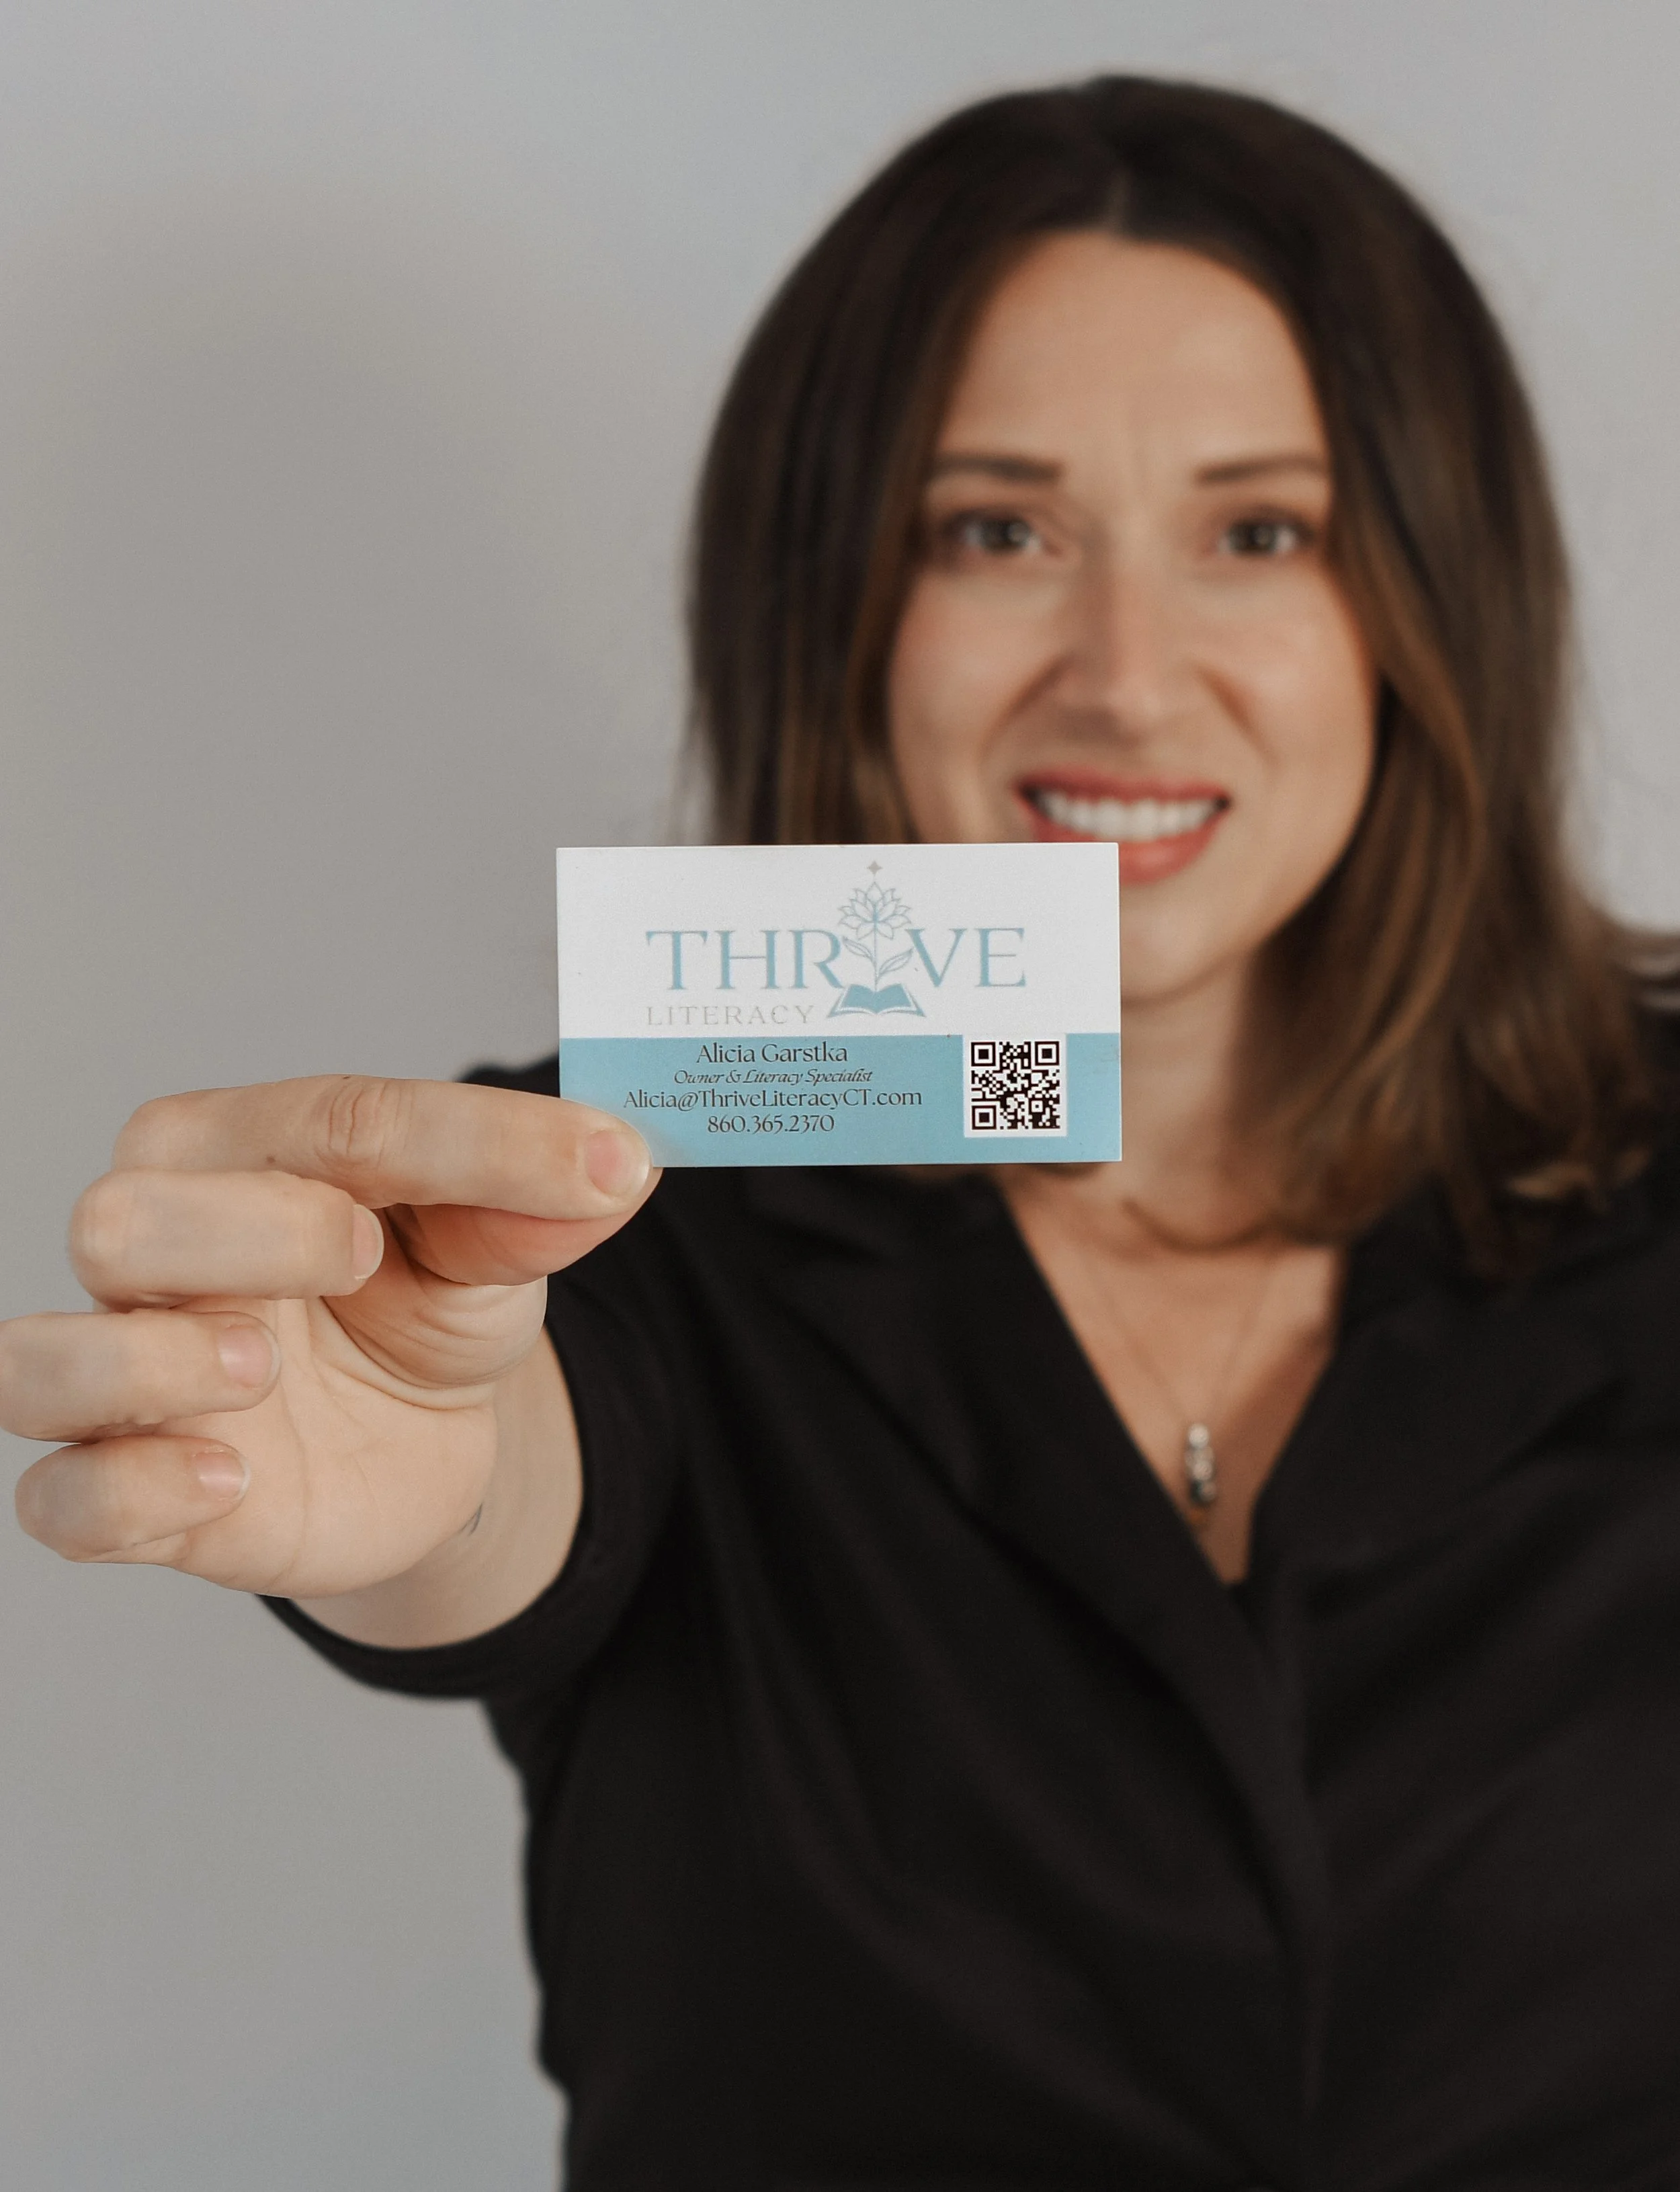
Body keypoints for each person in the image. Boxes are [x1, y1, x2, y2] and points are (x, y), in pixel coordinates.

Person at [4, 73, 1679, 2190]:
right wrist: (409, 1466)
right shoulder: (563, 1215)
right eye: (997, 530)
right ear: (832, 599)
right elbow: (493, 1481)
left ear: (1433, 604)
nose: (1128, 677)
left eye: (1261, 531)